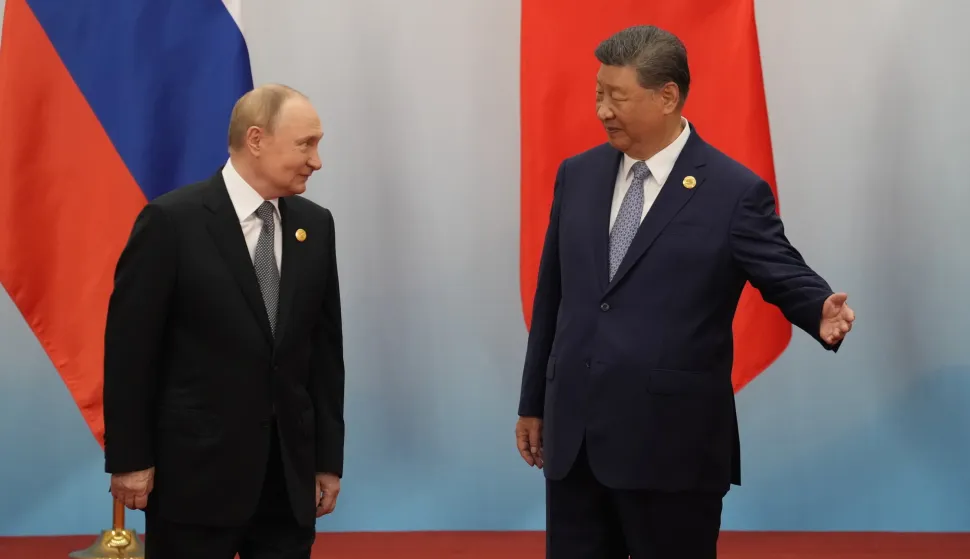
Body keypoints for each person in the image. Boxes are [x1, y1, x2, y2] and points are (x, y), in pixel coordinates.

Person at [515, 25, 855, 558]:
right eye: (599, 93)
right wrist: (533, 401)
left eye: (617, 96)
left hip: (670, 446)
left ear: (667, 95)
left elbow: (779, 266)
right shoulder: (575, 176)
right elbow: (552, 296)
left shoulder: (731, 190)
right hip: (574, 439)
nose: (602, 109)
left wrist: (817, 308)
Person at [103, 83, 345, 559]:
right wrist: (130, 460)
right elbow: (131, 353)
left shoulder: (315, 226)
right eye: (306, 144)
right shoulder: (171, 223)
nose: (316, 161)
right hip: (194, 480)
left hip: (288, 485)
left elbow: (324, 352)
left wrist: (326, 461)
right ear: (256, 139)